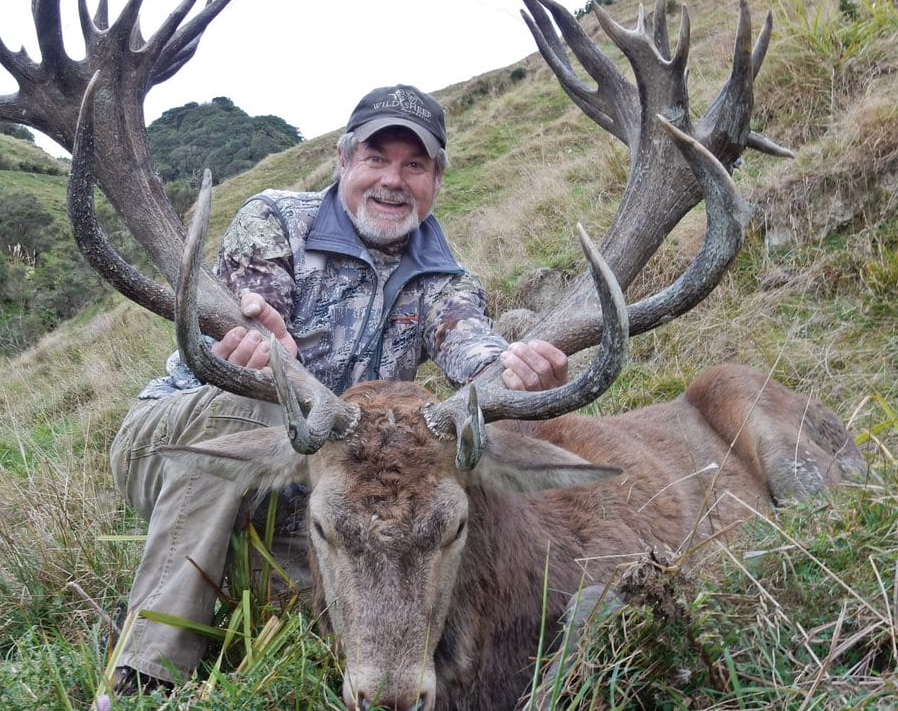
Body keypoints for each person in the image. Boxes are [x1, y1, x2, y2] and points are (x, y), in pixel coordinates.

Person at [109, 84, 569, 694]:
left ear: (436, 181)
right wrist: (262, 347)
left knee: (362, 568)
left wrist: (519, 371)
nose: (393, 181)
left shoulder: (445, 279)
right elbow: (249, 324)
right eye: (377, 159)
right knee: (258, 400)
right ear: (344, 159)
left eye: (415, 165)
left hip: (312, 485)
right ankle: (146, 671)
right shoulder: (273, 221)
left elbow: (470, 345)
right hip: (187, 443)